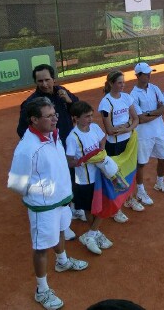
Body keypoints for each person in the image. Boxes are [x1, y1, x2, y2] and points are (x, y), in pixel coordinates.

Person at [8, 97, 88, 310]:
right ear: (34, 119)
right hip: (43, 206)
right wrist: (44, 192)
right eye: (49, 116)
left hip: (61, 200)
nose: (55, 119)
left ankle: (62, 262)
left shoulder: (53, 135)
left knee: (61, 230)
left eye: (55, 114)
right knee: (41, 247)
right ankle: (41, 290)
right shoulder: (27, 148)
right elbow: (16, 184)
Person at [16, 63, 80, 240]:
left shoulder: (62, 92)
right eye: (40, 81)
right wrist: (43, 144)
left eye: (47, 80)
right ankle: (63, 225)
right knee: (56, 183)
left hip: (68, 145)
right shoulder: (31, 104)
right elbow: (22, 130)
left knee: (71, 177)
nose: (44, 84)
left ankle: (71, 209)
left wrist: (69, 101)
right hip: (49, 150)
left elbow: (79, 109)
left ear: (54, 79)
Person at [65, 101, 113, 255]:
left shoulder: (95, 128)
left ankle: (91, 234)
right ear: (76, 118)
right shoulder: (72, 138)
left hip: (99, 175)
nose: (91, 119)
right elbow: (70, 161)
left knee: (103, 205)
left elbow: (102, 140)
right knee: (89, 209)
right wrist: (84, 160)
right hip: (84, 180)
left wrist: (100, 152)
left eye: (91, 116)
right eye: (87, 117)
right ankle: (95, 234)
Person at [98, 70, 140, 219]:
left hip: (129, 142)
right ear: (111, 83)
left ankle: (129, 199)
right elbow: (109, 130)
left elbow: (136, 119)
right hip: (114, 146)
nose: (123, 85)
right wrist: (128, 126)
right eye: (119, 83)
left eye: (124, 82)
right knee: (116, 177)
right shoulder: (106, 102)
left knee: (130, 171)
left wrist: (127, 127)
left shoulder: (127, 98)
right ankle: (116, 208)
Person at [130, 62, 164, 206]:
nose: (149, 75)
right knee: (141, 163)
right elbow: (140, 119)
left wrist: (149, 113)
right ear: (138, 75)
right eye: (146, 73)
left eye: (150, 72)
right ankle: (140, 191)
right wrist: (157, 112)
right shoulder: (133, 95)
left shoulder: (154, 88)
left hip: (159, 131)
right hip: (143, 135)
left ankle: (160, 183)